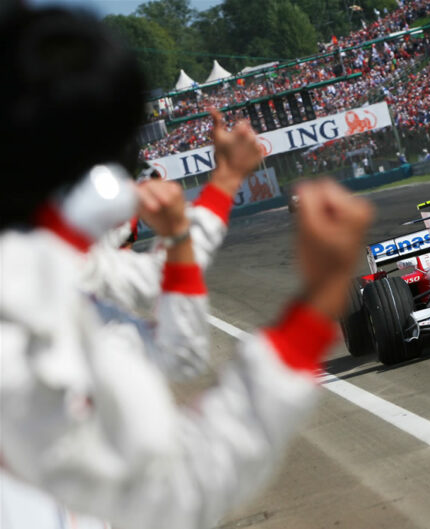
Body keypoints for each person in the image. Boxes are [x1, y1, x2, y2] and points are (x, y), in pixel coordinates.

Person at [0, 7, 373, 529]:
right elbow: (177, 482)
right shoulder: (38, 310)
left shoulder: (59, 290)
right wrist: (319, 296)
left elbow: (176, 342)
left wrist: (212, 198)